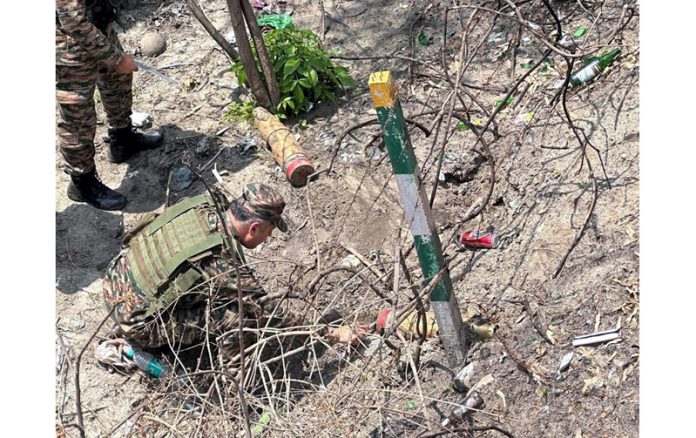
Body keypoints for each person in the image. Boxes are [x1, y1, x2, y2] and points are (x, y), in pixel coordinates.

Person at [102, 183, 366, 366]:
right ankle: (238, 387)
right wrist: (329, 332)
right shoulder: (221, 260)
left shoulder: (203, 206)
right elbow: (268, 312)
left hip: (115, 280)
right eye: (269, 232)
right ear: (253, 228)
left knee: (218, 294)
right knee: (237, 315)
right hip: (138, 323)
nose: (268, 239)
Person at [56, 0, 164, 211]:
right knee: (78, 117)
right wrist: (115, 58)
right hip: (70, 45)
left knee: (118, 84)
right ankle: (82, 183)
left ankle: (122, 141)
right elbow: (72, 21)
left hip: (97, 25)